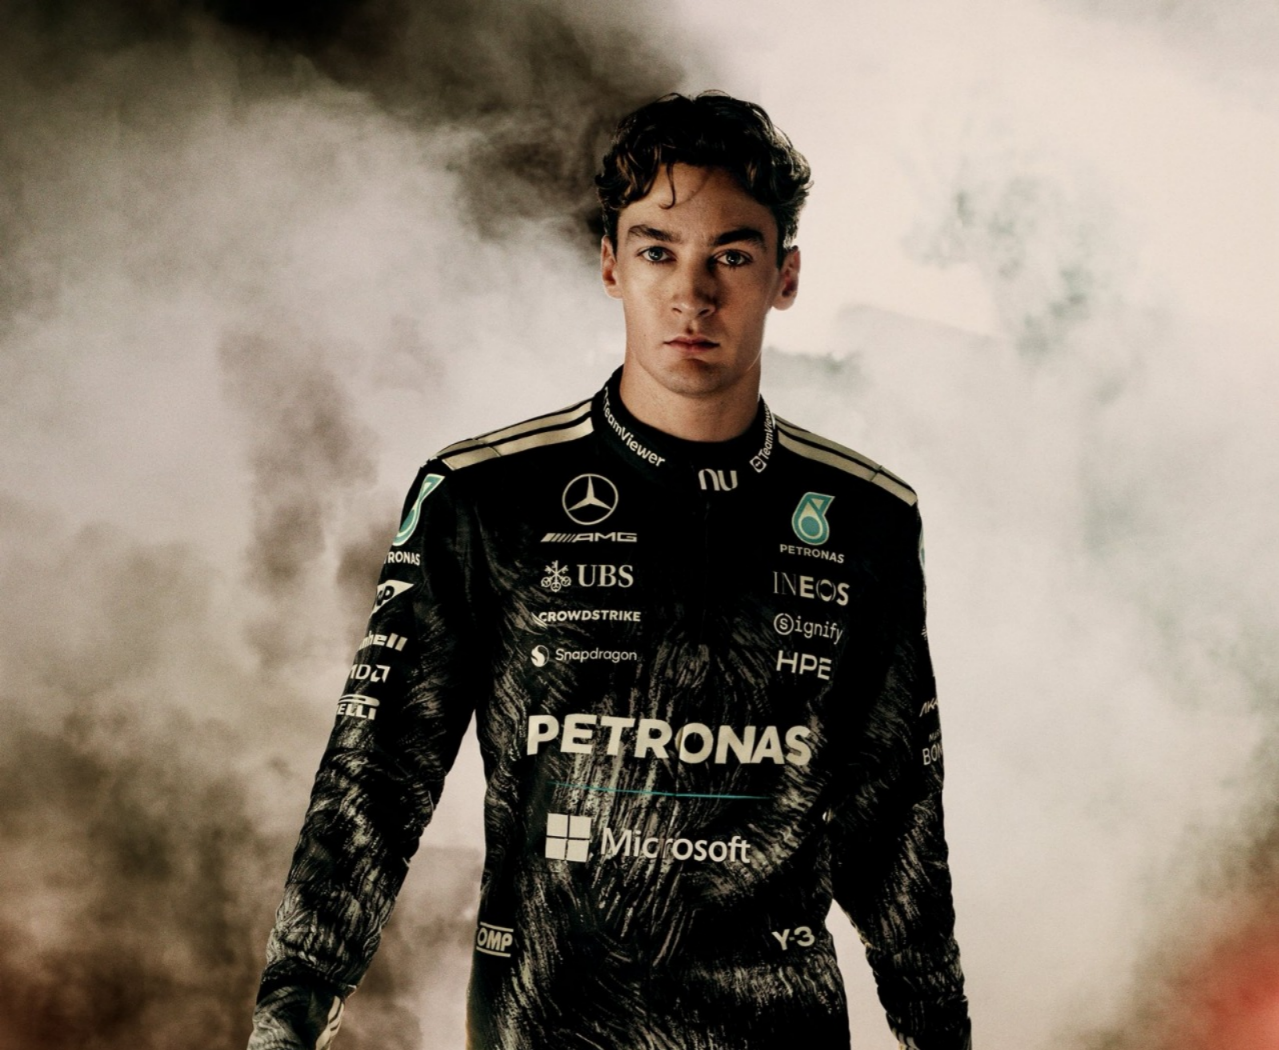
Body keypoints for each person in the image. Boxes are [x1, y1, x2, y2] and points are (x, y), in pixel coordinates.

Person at [248, 91, 972, 1050]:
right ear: (610, 266)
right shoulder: (482, 498)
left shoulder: (866, 519)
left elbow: (896, 822)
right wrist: (287, 1020)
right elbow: (373, 781)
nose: (692, 295)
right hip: (547, 1029)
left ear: (784, 277)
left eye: (732, 256)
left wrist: (940, 1031)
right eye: (657, 251)